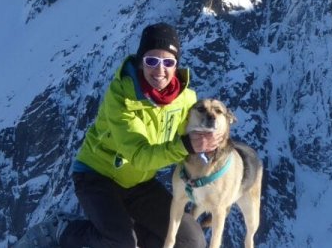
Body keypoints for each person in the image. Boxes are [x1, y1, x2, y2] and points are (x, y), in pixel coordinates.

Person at [57, 23, 221, 248]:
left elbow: (196, 148)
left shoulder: (186, 101)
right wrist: (186, 145)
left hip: (138, 183)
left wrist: (214, 163)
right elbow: (139, 155)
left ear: (176, 66)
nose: (160, 70)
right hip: (97, 177)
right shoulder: (121, 97)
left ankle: (126, 232)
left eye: (168, 62)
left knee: (190, 241)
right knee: (122, 243)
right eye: (151, 61)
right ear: (141, 61)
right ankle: (64, 231)